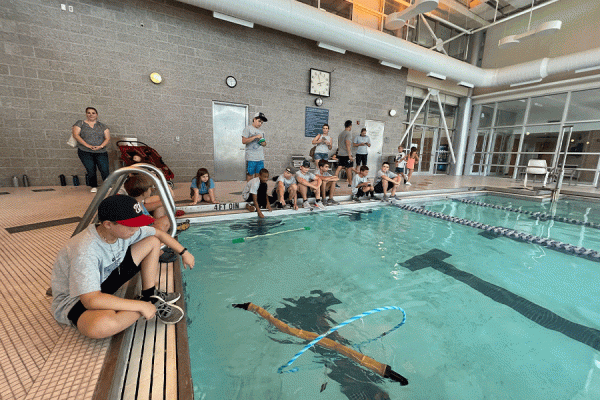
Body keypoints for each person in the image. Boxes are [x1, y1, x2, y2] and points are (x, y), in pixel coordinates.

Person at [51, 195, 195, 339]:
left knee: (152, 242)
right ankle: (147, 303)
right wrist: (139, 306)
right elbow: (90, 300)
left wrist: (184, 252)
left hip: (104, 282)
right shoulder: (85, 250)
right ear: (108, 224)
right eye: (131, 226)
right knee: (102, 326)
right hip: (77, 300)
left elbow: (158, 233)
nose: (136, 229)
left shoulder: (123, 231)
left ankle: (149, 294)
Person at [72, 107, 111, 193]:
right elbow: (76, 135)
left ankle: (107, 185)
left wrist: (100, 146)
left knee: (104, 169)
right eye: (88, 113)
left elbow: (107, 138)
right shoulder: (80, 123)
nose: (91, 114)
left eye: (93, 113)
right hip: (85, 151)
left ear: (96, 114)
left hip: (101, 151)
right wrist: (87, 145)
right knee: (91, 169)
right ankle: (93, 186)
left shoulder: (102, 125)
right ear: (86, 114)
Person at [242, 112, 268, 181]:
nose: (260, 124)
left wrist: (262, 142)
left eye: (261, 123)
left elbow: (265, 144)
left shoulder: (262, 131)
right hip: (251, 157)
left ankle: (255, 190)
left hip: (260, 157)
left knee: (259, 175)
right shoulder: (248, 128)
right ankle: (249, 190)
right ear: (254, 119)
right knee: (250, 175)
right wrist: (255, 137)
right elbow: (244, 141)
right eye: (259, 121)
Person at [335, 120, 354, 187]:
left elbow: (339, 144)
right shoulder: (348, 133)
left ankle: (334, 182)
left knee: (339, 167)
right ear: (350, 126)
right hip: (346, 154)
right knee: (349, 168)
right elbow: (347, 144)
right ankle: (350, 183)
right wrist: (349, 155)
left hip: (340, 153)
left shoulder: (341, 134)